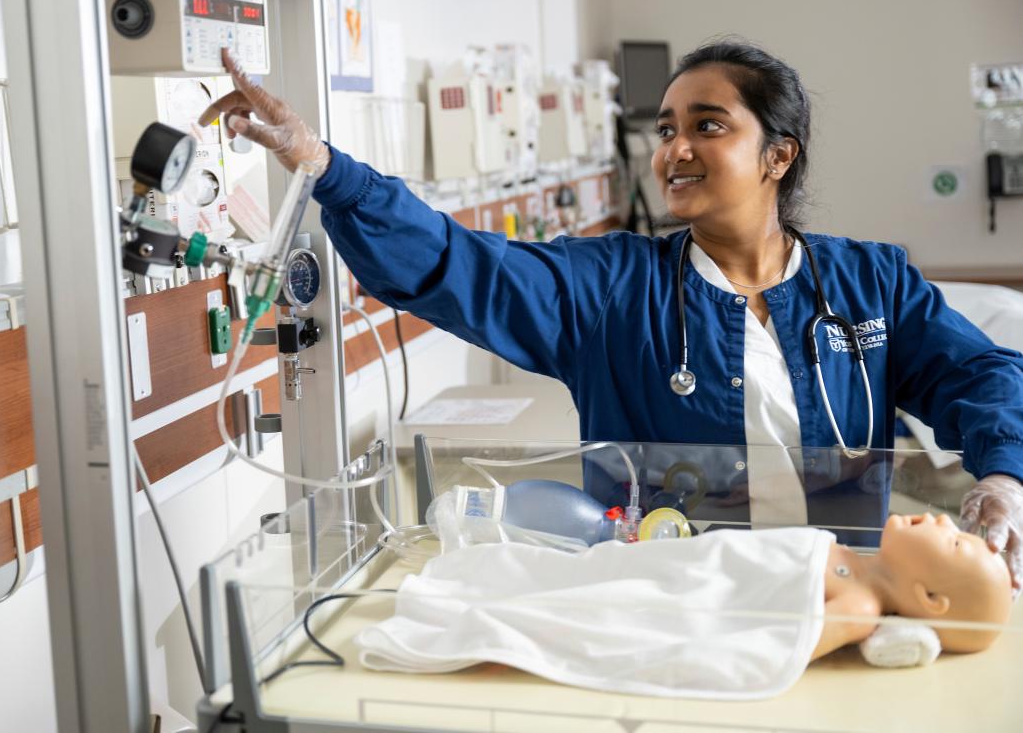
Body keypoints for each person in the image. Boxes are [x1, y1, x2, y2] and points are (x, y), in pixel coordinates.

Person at [199, 42, 1023, 591]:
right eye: (666, 129)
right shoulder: (612, 290)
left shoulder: (868, 284)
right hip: (668, 603)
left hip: (846, 597)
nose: (675, 149)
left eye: (708, 125)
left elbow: (981, 372)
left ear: (779, 154)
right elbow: (455, 265)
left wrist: (1003, 474)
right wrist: (327, 169)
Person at [353, 512, 1013, 699]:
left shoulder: (862, 604)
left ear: (930, 598)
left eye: (955, 540)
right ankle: (459, 588)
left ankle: (455, 619)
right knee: (581, 574)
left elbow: (755, 647)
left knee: (595, 607)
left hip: (689, 599)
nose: (938, 517)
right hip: (685, 562)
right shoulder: (857, 556)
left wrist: (891, 643)